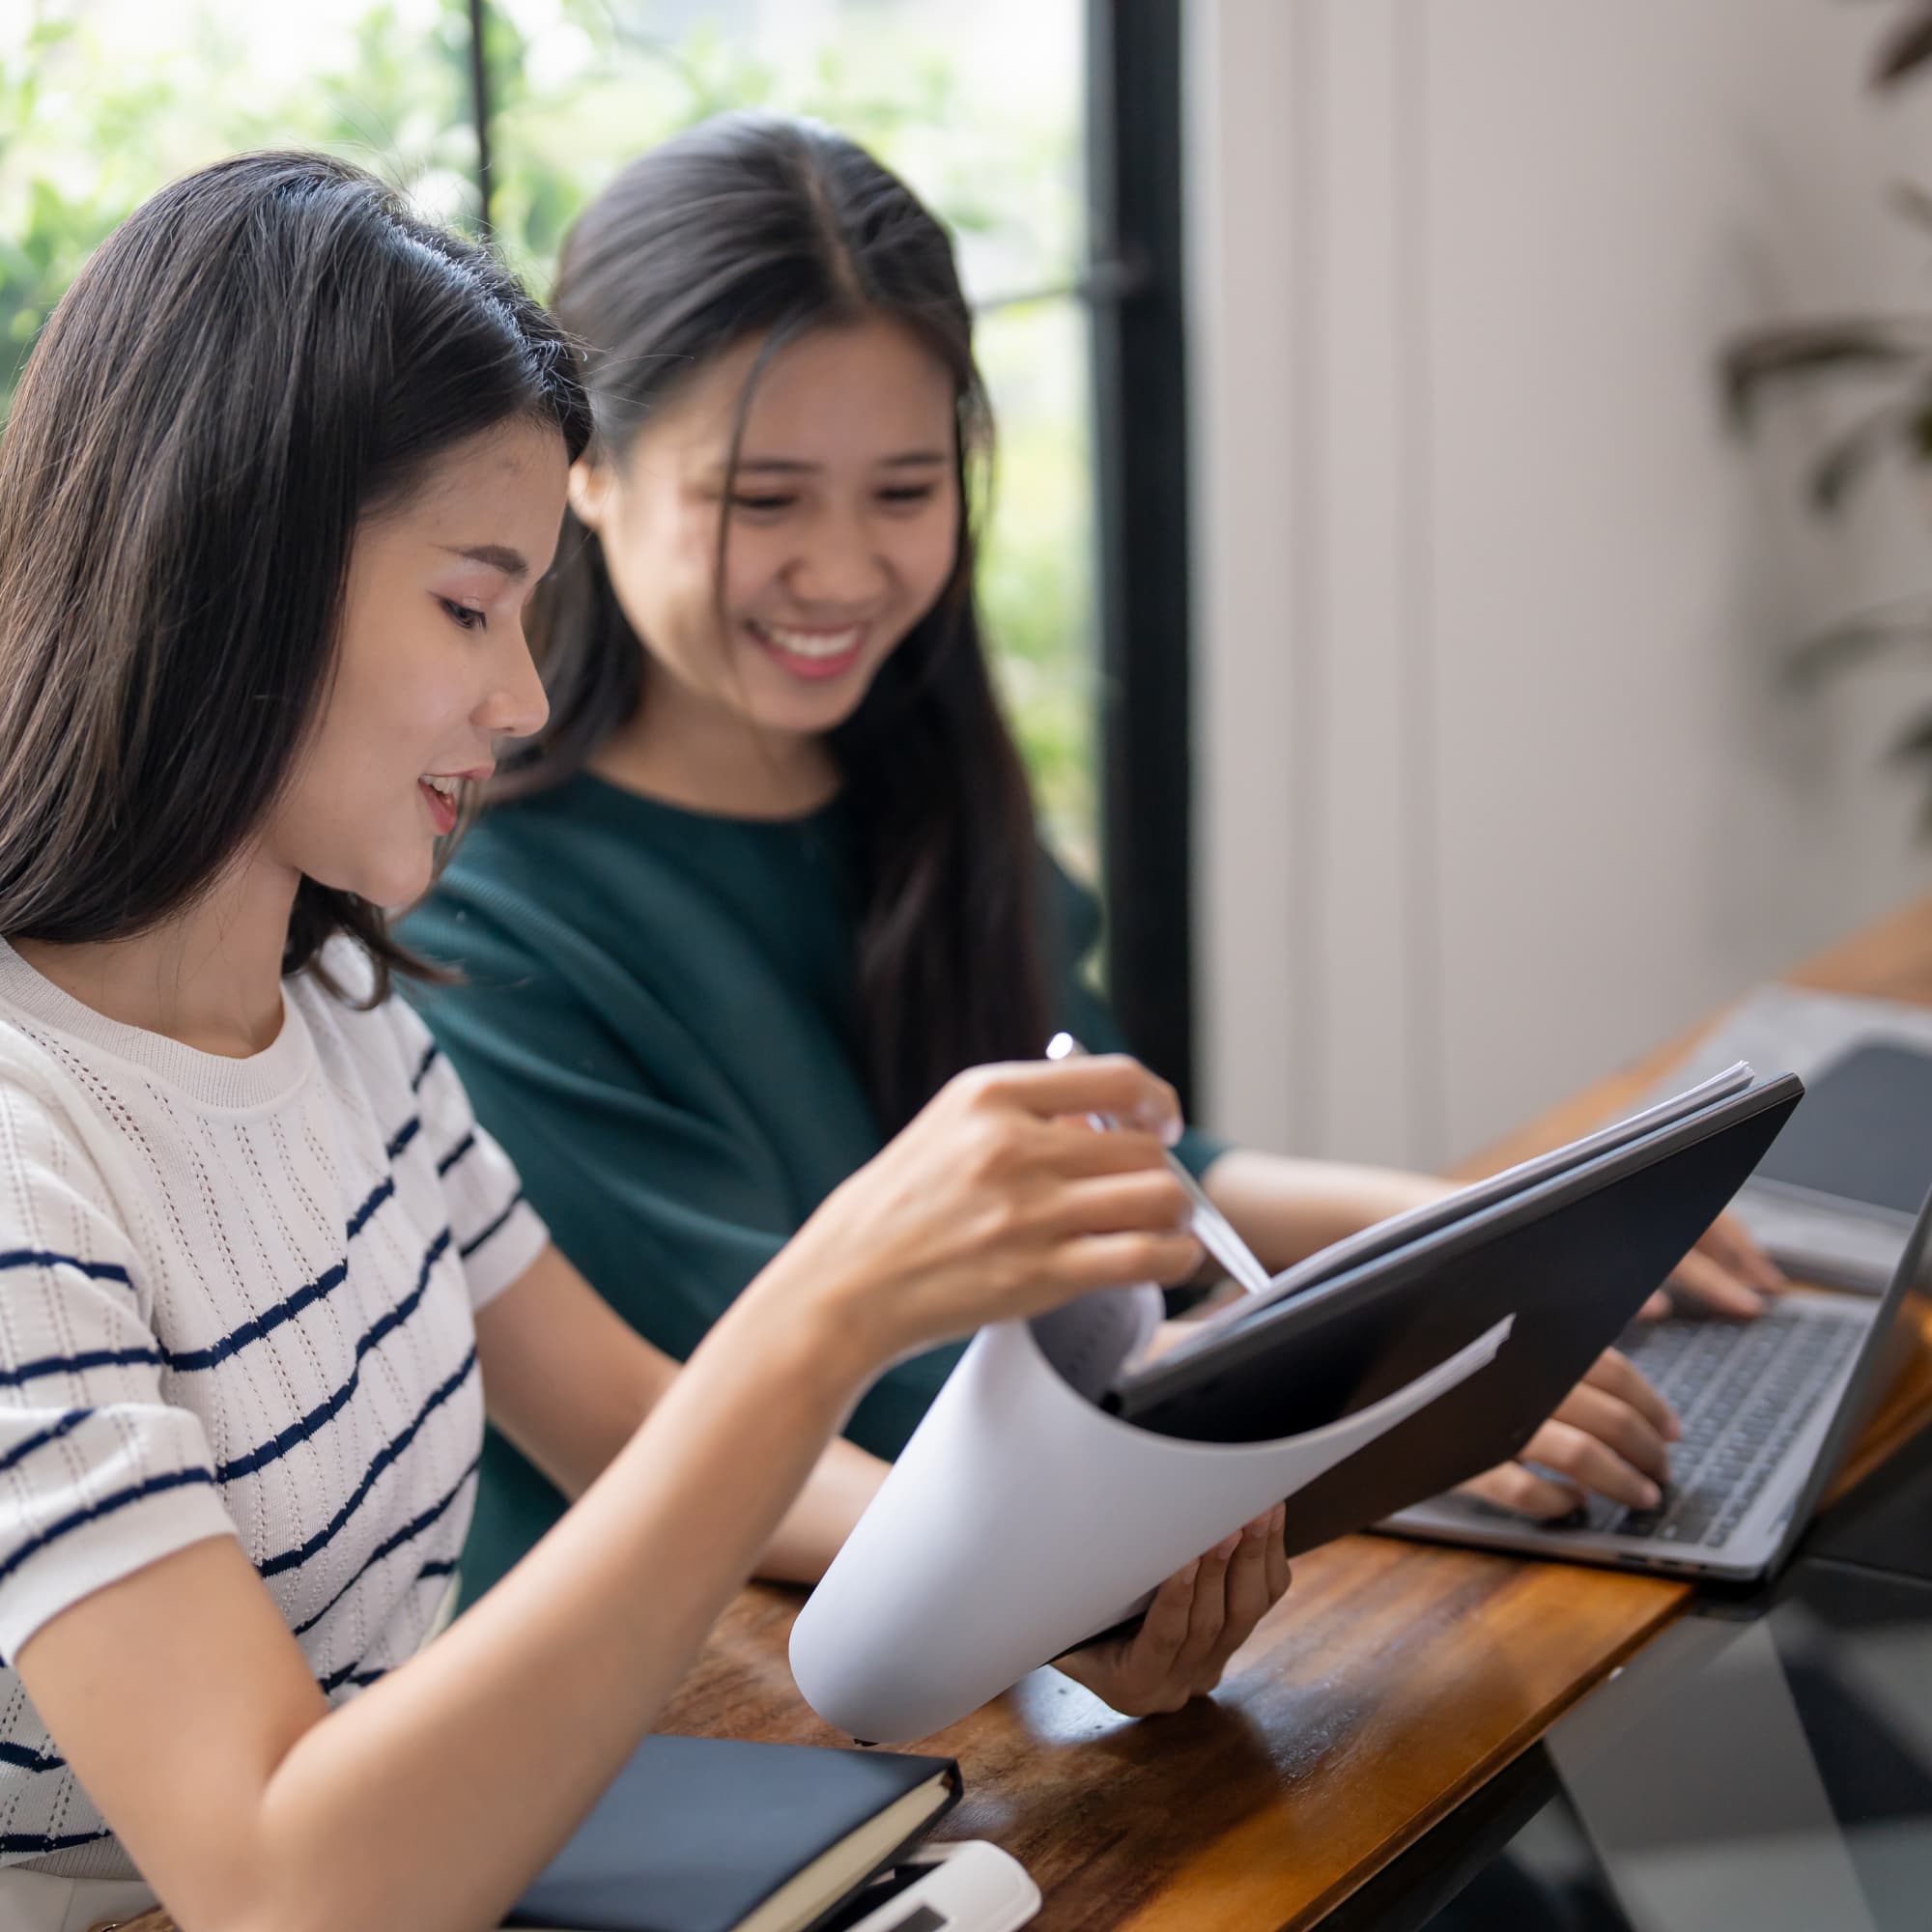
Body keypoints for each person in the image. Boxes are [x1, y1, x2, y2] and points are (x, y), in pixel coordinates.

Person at [0, 150, 1281, 1932]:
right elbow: (281, 1886)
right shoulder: (23, 1148)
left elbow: (620, 1420)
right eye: (468, 603)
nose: (520, 696)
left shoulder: (339, 1008)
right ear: (240, 575)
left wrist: (1062, 1603)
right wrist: (834, 1304)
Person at [401, 112, 1786, 1615]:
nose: (846, 571)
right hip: (722, 1669)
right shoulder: (482, 912)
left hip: (1005, 1585)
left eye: (908, 491)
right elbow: (773, 1404)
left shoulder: (912, 784)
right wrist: (1333, 1422)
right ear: (585, 477)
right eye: (764, 497)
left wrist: (1512, 1233)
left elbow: (1133, 1179)